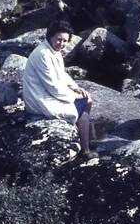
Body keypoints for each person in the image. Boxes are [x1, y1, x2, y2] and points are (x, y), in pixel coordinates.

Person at [22, 20, 94, 155]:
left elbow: (61, 74)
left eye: (65, 41)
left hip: (47, 93)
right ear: (50, 37)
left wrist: (75, 87)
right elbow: (53, 86)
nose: (61, 44)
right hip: (39, 99)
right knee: (83, 105)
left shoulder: (53, 51)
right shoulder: (42, 54)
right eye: (58, 39)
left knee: (87, 100)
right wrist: (73, 96)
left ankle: (85, 138)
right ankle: (86, 150)